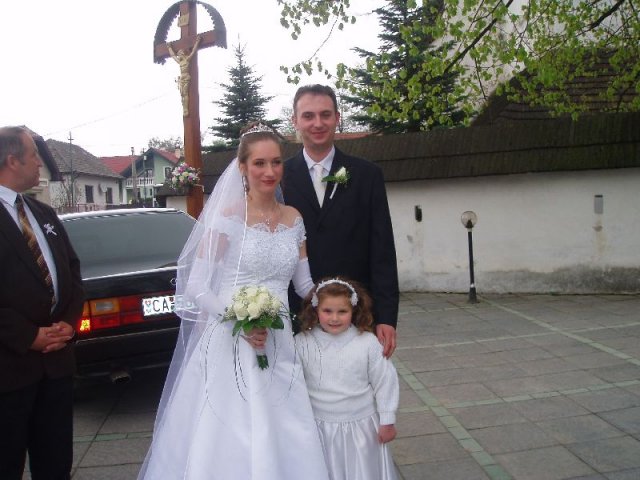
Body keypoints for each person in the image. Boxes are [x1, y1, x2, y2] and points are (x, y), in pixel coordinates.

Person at [139, 123, 330, 480]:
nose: (269, 171)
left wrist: (339, 300)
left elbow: (304, 284)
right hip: (231, 338)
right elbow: (197, 285)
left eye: (276, 162)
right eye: (259, 163)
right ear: (242, 167)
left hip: (278, 339)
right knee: (231, 429)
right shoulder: (227, 218)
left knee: (284, 421)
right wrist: (239, 320)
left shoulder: (294, 219)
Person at [283, 84, 399, 357]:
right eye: (308, 116)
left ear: (337, 117)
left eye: (325, 114)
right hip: (295, 314)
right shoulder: (279, 178)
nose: (318, 123)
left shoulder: (367, 175)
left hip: (357, 313)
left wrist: (386, 317)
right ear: (295, 120)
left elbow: (382, 249)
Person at [0, 126, 84, 480]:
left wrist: (68, 323)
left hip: (56, 367)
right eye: (34, 155)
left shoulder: (43, 213)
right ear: (12, 161)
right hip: (9, 370)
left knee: (55, 463)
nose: (39, 163)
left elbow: (72, 270)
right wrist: (28, 336)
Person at [296, 277, 399, 480]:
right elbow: (293, 383)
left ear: (354, 310)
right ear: (315, 310)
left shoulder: (368, 343)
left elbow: (385, 381)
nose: (334, 318)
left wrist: (387, 419)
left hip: (361, 427)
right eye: (327, 311)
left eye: (342, 311)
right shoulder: (302, 343)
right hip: (319, 427)